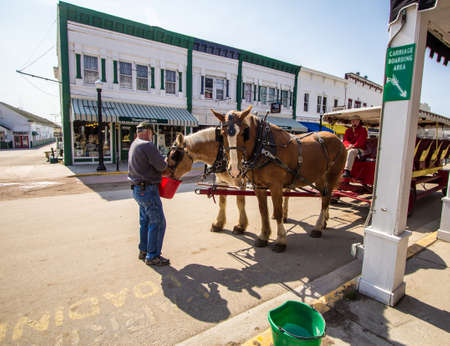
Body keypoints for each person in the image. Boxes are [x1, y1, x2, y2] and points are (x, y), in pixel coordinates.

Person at [128, 121, 170, 266]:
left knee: (145, 221)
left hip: (137, 190)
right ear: (148, 131)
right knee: (158, 222)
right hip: (148, 190)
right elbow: (162, 167)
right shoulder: (147, 145)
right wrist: (165, 161)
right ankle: (153, 256)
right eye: (152, 133)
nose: (152, 136)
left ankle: (144, 250)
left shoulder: (134, 144)